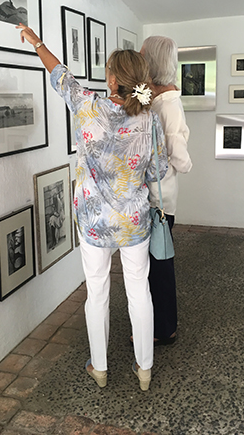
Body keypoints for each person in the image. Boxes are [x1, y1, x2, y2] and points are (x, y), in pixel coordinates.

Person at [16, 24, 168, 391]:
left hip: (93, 221)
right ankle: (144, 368)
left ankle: (99, 368)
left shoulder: (87, 105)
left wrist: (37, 42)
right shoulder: (150, 118)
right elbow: (158, 170)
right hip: (133, 221)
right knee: (139, 291)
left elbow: (61, 76)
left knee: (97, 291)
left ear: (113, 80)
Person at [141, 35, 192, 346]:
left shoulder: (168, 105)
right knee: (155, 265)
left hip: (158, 201)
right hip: (155, 198)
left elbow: (181, 159)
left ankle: (163, 328)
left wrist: (180, 161)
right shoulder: (160, 100)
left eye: (142, 55)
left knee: (159, 266)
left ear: (151, 62)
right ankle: (159, 324)